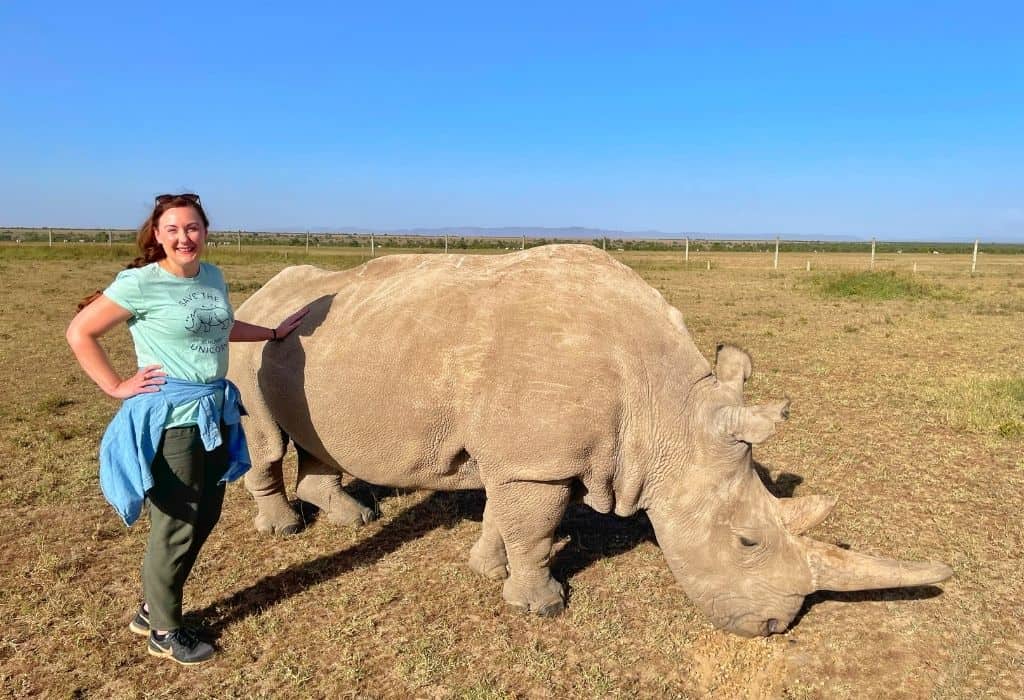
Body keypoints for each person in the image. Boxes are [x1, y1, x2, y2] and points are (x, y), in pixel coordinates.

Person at [66, 193, 308, 665]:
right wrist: (116, 384)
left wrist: (272, 333)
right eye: (173, 229)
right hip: (171, 419)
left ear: (205, 231)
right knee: (177, 522)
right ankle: (163, 629)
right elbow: (80, 332)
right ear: (157, 235)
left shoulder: (212, 276)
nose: (184, 237)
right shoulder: (139, 284)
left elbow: (219, 326)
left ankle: (152, 607)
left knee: (206, 513)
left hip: (213, 413)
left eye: (193, 228)